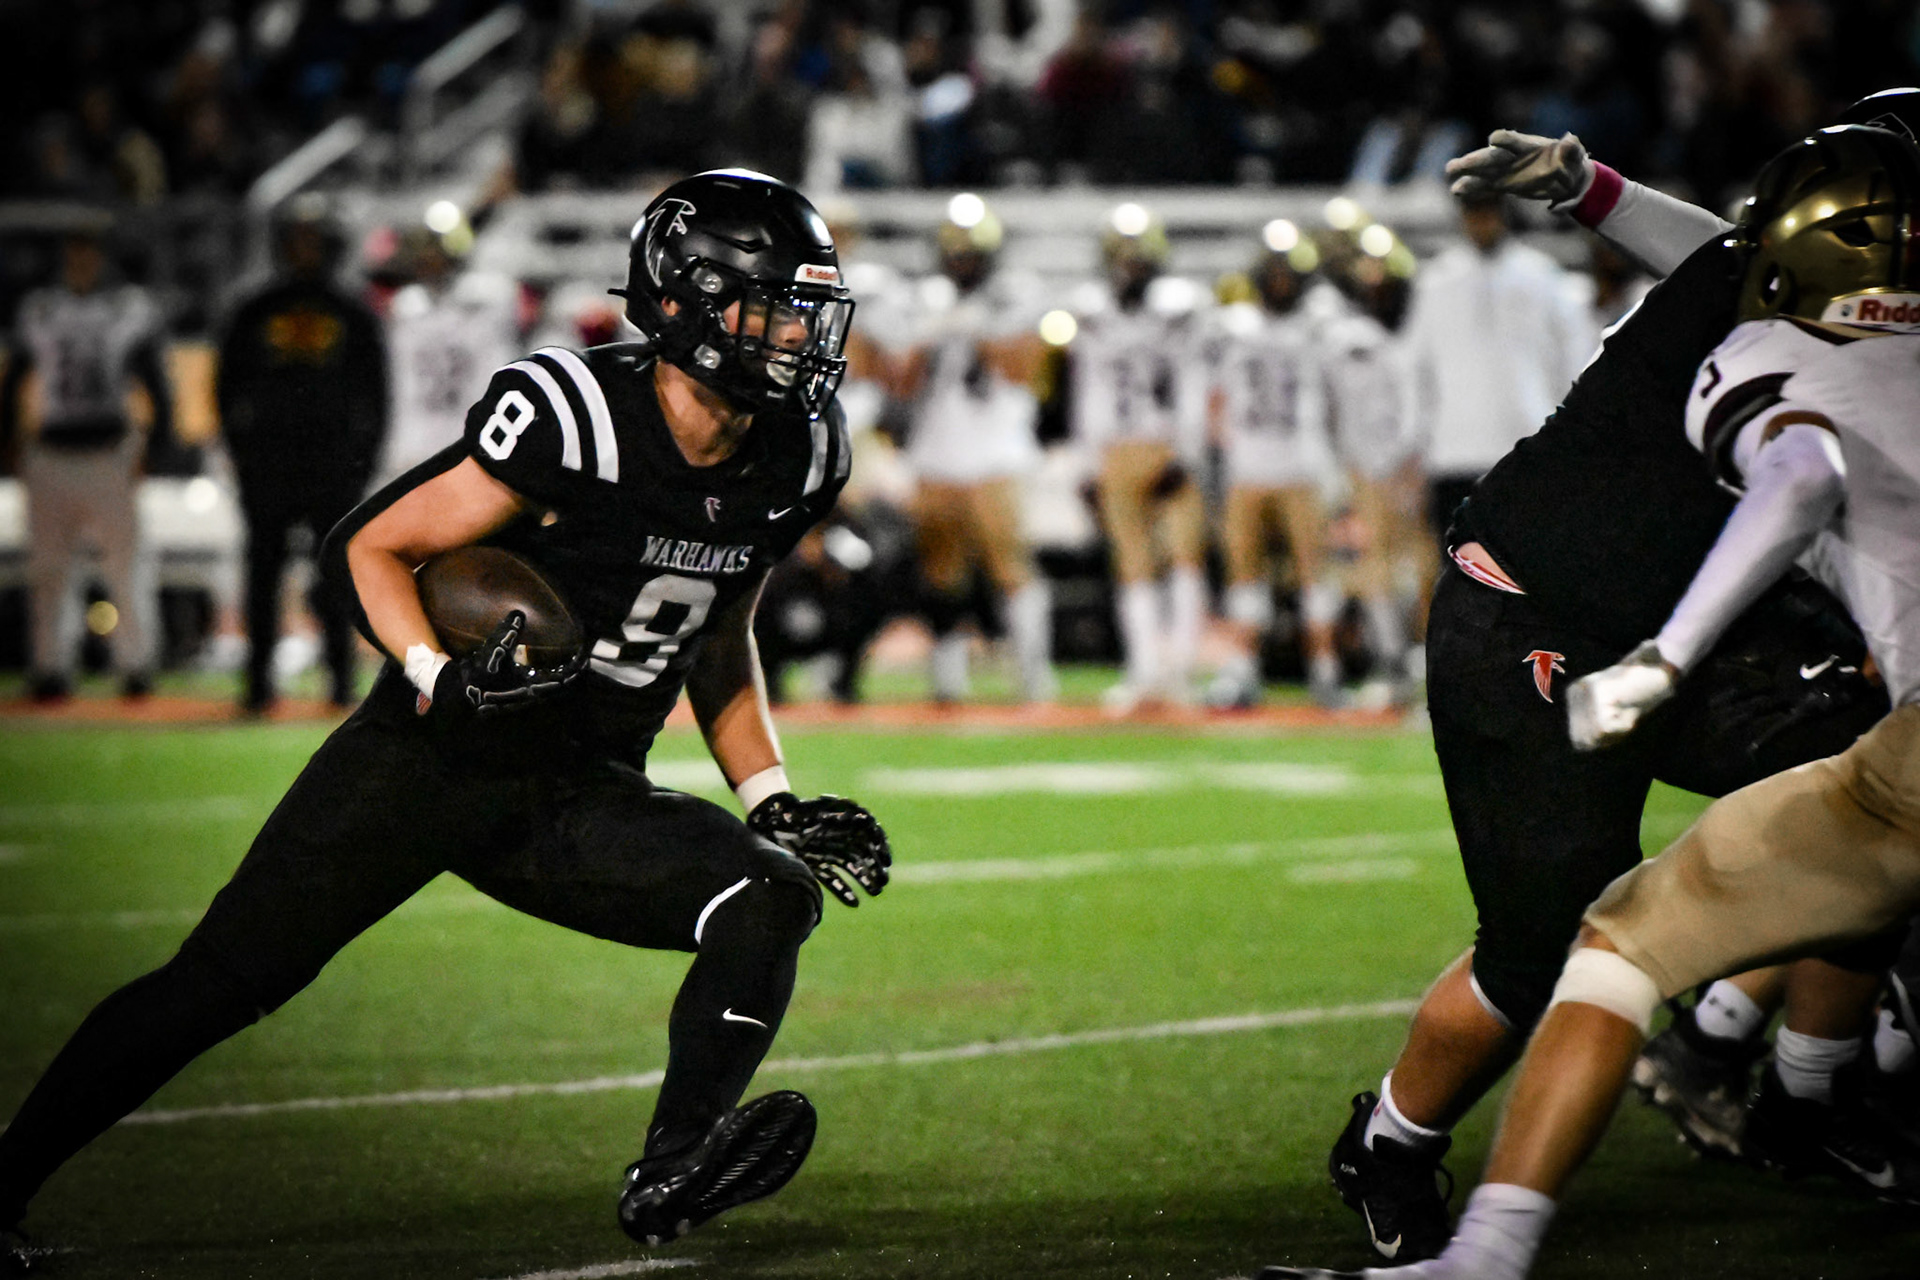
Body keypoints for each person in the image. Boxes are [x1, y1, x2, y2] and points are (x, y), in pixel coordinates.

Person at [0, 170, 890, 1269]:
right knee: (220, 983)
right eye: (773, 305)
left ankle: (675, 1162)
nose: (798, 334)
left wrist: (770, 795)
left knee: (770, 893)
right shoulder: (578, 415)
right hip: (433, 755)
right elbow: (370, 545)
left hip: (581, 786)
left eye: (807, 309)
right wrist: (434, 672)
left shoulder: (801, 448)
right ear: (685, 300)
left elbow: (718, 631)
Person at [1261, 121, 1920, 1280]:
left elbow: (1718, 250)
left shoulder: (1783, 280)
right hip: (1537, 618)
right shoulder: (1781, 319)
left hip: (1675, 615)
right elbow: (1794, 462)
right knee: (1548, 947)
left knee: (1870, 785)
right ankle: (1392, 1140)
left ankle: (1798, 1086)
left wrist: (1591, 187)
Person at [217, 194, 388, 714]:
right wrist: (240, 452)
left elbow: (377, 393)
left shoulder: (353, 311)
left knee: (335, 574)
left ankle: (341, 682)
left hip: (332, 464)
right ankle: (257, 686)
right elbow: (226, 387)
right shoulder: (255, 309)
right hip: (268, 462)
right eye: (297, 239)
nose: (305, 249)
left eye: (314, 239)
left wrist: (363, 460)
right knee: (262, 574)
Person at [891, 194, 1056, 704]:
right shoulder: (928, 298)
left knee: (1011, 565)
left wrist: (979, 329)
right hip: (937, 451)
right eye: (955, 252)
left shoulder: (1016, 296)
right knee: (941, 572)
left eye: (970, 252)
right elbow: (900, 384)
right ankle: (948, 678)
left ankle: (1032, 673)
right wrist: (927, 338)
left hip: (997, 450)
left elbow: (1026, 372)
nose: (962, 261)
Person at [6, 218, 171, 701]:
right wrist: (10, 443)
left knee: (126, 566)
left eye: (88, 251)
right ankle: (51, 666)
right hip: (52, 449)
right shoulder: (41, 309)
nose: (81, 261)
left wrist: (157, 446)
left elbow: (155, 382)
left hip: (109, 450)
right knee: (49, 569)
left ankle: (136, 665)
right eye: (74, 252)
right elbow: (14, 379)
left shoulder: (127, 308)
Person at [1066, 203, 1207, 712]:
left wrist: (1186, 450)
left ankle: (1182, 671)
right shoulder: (1092, 311)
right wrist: (1088, 462)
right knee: (1132, 565)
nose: (1130, 267)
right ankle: (1145, 670)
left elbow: (1192, 381)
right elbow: (1088, 390)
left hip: (1164, 441)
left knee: (1184, 556)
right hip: (1116, 448)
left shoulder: (1180, 307)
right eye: (1123, 257)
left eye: (1138, 257)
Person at [1204, 228, 1341, 709]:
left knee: (1314, 574)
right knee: (1244, 575)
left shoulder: (1321, 324)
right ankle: (1242, 671)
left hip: (1302, 465)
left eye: (1288, 274)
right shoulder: (1234, 326)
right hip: (1249, 465)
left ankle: (1325, 671)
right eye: (1274, 273)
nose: (1281, 282)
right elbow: (1215, 400)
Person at [375, 211, 521, 486]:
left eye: (434, 252)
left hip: (470, 427)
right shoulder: (407, 307)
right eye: (423, 253)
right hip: (419, 433)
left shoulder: (488, 299)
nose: (427, 261)